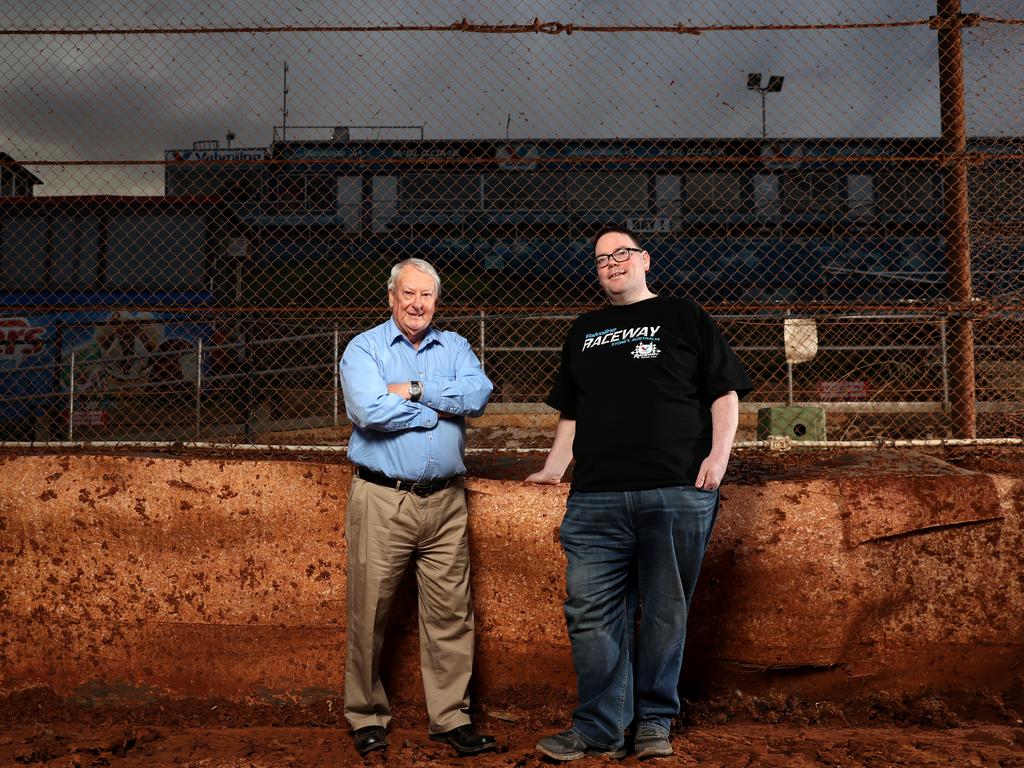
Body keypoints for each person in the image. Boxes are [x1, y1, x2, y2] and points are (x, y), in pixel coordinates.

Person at [526, 226, 753, 761]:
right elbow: (573, 412)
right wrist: (554, 469)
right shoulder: (584, 330)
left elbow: (724, 392)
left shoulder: (683, 315)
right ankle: (602, 727)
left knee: (664, 612)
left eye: (622, 253)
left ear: (645, 260)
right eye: (602, 258)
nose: (611, 264)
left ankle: (653, 720)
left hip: (675, 490)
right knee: (590, 612)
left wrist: (719, 459)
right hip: (597, 497)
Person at [339, 257, 497, 758]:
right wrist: (436, 413)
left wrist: (417, 390)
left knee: (452, 613)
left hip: (447, 502)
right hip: (384, 498)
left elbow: (478, 393)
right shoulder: (364, 348)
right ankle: (365, 716)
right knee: (371, 612)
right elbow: (367, 409)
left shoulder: (454, 346)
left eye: (426, 295)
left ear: (436, 301)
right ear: (391, 297)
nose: (416, 304)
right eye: (408, 294)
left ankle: (451, 718)